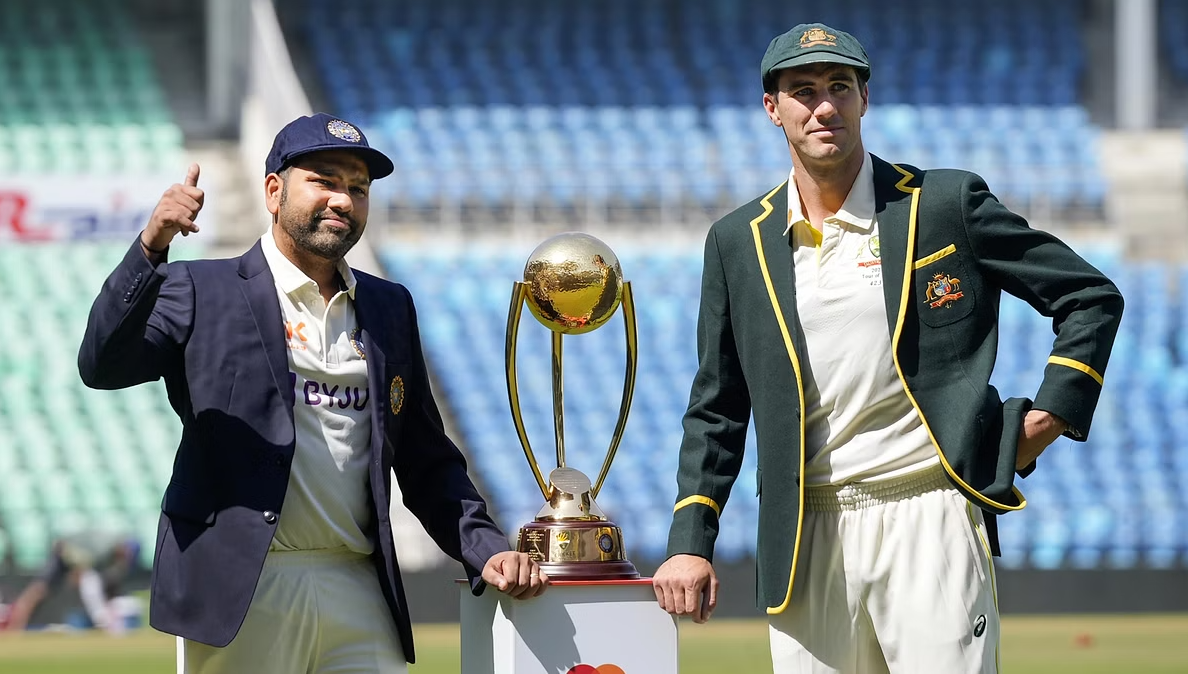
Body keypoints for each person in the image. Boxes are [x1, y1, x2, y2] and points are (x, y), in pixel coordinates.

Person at [652, 23, 1123, 674]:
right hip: (804, 533)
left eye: (839, 87)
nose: (823, 106)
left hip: (930, 513)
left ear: (864, 99)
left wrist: (1053, 413)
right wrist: (690, 540)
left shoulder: (944, 205)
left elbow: (1089, 296)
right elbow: (718, 405)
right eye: (804, 91)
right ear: (773, 108)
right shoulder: (738, 240)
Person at [78, 113, 548, 674]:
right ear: (274, 191)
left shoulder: (389, 305)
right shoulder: (201, 288)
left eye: (359, 188)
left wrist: (485, 547)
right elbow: (101, 364)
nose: (344, 200)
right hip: (242, 587)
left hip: (359, 583)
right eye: (324, 180)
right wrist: (151, 247)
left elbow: (425, 457)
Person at [5, 531, 139, 633]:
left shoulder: (109, 555)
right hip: (64, 553)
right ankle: (14, 627)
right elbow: (83, 568)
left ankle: (103, 621)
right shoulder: (103, 549)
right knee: (38, 590)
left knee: (89, 583)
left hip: (72, 556)